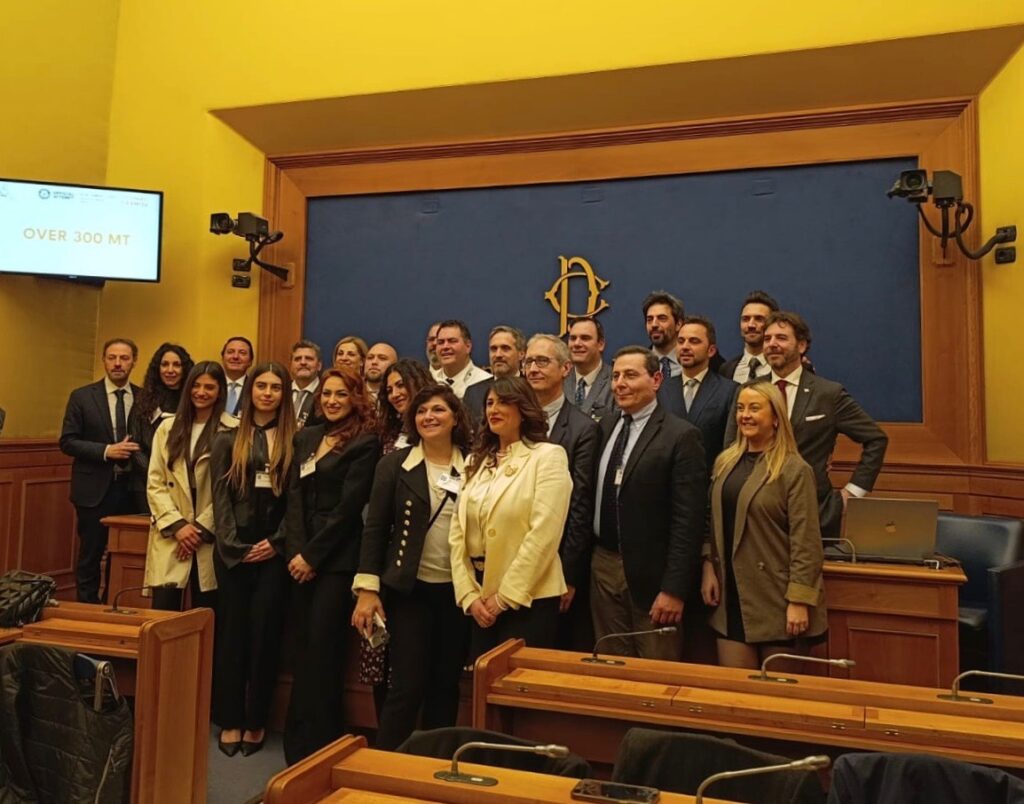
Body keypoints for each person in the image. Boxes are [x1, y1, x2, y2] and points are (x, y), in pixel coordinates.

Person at [352, 383, 472, 749]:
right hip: (410, 590)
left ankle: (435, 765)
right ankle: (386, 764)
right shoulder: (394, 464)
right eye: (421, 411)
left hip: (459, 593)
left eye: (438, 410)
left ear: (456, 418)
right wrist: (368, 590)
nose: (428, 417)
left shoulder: (476, 464)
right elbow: (374, 528)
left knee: (445, 685)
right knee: (406, 685)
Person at [282, 368, 380, 764]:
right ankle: (295, 741)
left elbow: (348, 509)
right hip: (299, 557)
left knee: (324, 651)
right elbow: (293, 496)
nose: (332, 400)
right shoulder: (306, 436)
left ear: (355, 397)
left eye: (341, 394)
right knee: (301, 648)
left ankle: (321, 743)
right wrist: (296, 552)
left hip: (336, 559)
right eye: (326, 394)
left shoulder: (365, 442)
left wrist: (313, 556)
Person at [590, 347, 707, 660]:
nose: (620, 384)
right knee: (609, 666)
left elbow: (689, 522)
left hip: (653, 575)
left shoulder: (681, 436)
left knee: (655, 672)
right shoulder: (605, 426)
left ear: (656, 380)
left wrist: (674, 589)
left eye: (630, 375)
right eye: (616, 376)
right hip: (603, 567)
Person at [701, 381, 827, 668]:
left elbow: (806, 541)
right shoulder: (725, 462)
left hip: (777, 597)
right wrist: (708, 565)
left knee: (777, 692)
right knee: (736, 691)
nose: (745, 415)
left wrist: (799, 600)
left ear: (776, 418)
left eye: (754, 408)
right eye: (740, 408)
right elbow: (710, 519)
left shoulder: (794, 469)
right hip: (730, 597)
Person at [449, 376, 572, 657]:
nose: (493, 409)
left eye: (503, 402)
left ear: (523, 409)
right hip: (479, 597)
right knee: (483, 680)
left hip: (529, 598)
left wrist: (505, 597)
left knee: (519, 683)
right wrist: (468, 594)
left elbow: (544, 534)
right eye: (489, 403)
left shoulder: (548, 456)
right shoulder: (474, 461)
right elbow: (457, 531)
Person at [210, 362, 296, 757]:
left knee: (265, 638)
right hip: (233, 554)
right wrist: (233, 547)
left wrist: (276, 543)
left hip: (274, 554)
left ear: (283, 394)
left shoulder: (296, 440)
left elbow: (297, 502)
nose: (267, 393)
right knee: (232, 637)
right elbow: (220, 498)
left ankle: (257, 719)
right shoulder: (227, 439)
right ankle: (230, 718)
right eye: (261, 386)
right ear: (250, 391)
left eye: (275, 387)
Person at [758, 311, 888, 539]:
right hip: (758, 511)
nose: (772, 344)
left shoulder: (828, 393)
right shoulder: (751, 391)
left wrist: (853, 492)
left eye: (781, 338)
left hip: (814, 511)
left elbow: (876, 439)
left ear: (801, 345)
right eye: (767, 339)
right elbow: (733, 446)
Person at [524, 333, 599, 651]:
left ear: (566, 368)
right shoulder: (511, 422)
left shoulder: (583, 429)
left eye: (542, 361)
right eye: (528, 361)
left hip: (554, 565)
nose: (533, 369)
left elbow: (580, 507)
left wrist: (568, 575)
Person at [145, 361, 233, 611]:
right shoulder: (167, 427)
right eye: (196, 386)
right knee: (164, 612)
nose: (201, 392)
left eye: (209, 387)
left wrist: (199, 531)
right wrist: (179, 527)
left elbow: (231, 490)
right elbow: (155, 482)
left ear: (220, 391)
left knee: (207, 611)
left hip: (210, 532)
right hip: (172, 530)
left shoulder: (233, 429)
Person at [60, 338, 143, 602]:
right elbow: (68, 441)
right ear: (104, 360)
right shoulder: (82, 396)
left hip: (132, 489)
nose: (118, 363)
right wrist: (107, 451)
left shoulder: (144, 398)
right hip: (94, 490)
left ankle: (114, 606)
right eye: (112, 357)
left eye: (124, 358)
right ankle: (87, 610)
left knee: (125, 556)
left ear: (134, 361)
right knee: (91, 555)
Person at [669, 316, 738, 474]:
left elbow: (731, 446)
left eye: (694, 341)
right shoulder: (661, 389)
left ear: (711, 350)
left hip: (709, 479)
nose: (685, 347)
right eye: (681, 341)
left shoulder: (729, 390)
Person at [130, 343, 194, 511]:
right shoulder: (143, 400)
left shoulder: (194, 401)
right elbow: (135, 445)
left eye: (176, 365)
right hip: (147, 483)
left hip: (185, 485)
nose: (170, 370)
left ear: (185, 369)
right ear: (157, 369)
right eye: (165, 364)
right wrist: (157, 475)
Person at [463, 325, 526, 423]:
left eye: (505, 348)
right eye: (493, 349)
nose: (498, 355)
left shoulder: (533, 389)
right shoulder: (473, 393)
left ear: (521, 354)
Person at [719, 290, 779, 383]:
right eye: (745, 319)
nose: (751, 325)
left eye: (759, 319)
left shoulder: (783, 365)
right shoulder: (726, 370)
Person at [564, 316, 614, 421]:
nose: (577, 344)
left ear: (600, 344)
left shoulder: (615, 381)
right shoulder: (559, 379)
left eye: (585, 338)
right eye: (573, 338)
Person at [434, 319, 491, 398]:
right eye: (440, 342)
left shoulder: (485, 382)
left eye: (452, 341)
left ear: (468, 346)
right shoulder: (428, 382)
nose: (445, 347)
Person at [643, 290, 685, 380]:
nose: (654, 325)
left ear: (678, 324)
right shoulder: (639, 365)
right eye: (649, 319)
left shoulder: (697, 362)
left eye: (662, 318)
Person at [289, 339, 322, 428]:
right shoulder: (282, 390)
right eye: (297, 359)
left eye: (309, 359)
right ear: (291, 365)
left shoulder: (326, 393)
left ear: (319, 366)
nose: (303, 362)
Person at [221, 336, 254, 416]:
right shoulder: (213, 385)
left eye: (242, 353)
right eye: (230, 352)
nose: (235, 356)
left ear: (250, 361)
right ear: (222, 358)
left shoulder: (254, 388)